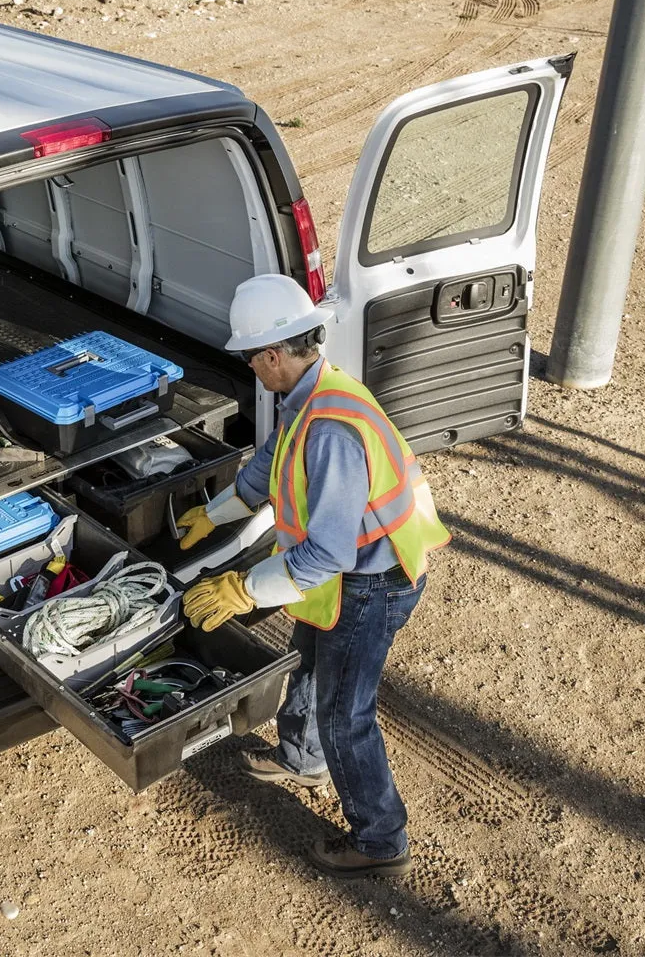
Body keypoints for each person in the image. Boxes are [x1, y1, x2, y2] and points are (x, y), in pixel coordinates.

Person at [178, 273, 450, 879]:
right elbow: (274, 456)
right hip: (360, 569)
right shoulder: (314, 392)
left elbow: (326, 555)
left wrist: (241, 589)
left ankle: (382, 841)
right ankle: (303, 759)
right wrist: (218, 511)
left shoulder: (329, 429)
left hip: (376, 581)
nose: (249, 367)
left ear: (273, 355)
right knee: (308, 652)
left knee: (345, 713)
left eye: (250, 357)